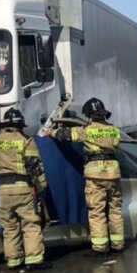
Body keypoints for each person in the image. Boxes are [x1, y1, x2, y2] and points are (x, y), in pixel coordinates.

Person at [0, 108, 50, 271]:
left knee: (10, 227)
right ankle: (33, 260)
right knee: (30, 224)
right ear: (21, 125)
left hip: (4, 191)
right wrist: (42, 187)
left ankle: (13, 260)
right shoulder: (26, 141)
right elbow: (34, 166)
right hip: (23, 189)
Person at [56, 97, 124, 254]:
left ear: (88, 114)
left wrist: (51, 132)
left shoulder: (85, 130)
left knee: (97, 212)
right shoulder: (113, 129)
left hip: (95, 177)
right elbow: (116, 144)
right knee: (115, 210)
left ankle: (100, 248)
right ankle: (118, 244)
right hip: (113, 173)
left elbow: (64, 135)